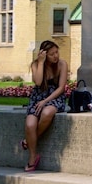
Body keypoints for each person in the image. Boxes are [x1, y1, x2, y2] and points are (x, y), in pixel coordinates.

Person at [24, 40, 69, 171]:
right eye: (51, 54)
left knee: (47, 113)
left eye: (56, 52)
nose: (56, 56)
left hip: (55, 96)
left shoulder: (62, 64)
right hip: (38, 97)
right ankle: (33, 156)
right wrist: (41, 62)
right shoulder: (36, 65)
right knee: (30, 124)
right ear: (44, 54)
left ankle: (29, 140)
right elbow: (38, 82)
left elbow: (61, 88)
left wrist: (46, 101)